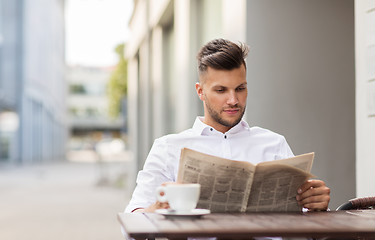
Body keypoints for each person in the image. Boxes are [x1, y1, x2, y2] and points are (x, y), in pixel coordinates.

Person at [125, 38, 330, 214]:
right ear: (200, 91)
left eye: (240, 88)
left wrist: (316, 206)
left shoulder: (274, 143)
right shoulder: (168, 147)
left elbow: (305, 217)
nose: (233, 100)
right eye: (221, 90)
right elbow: (133, 218)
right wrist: (157, 207)